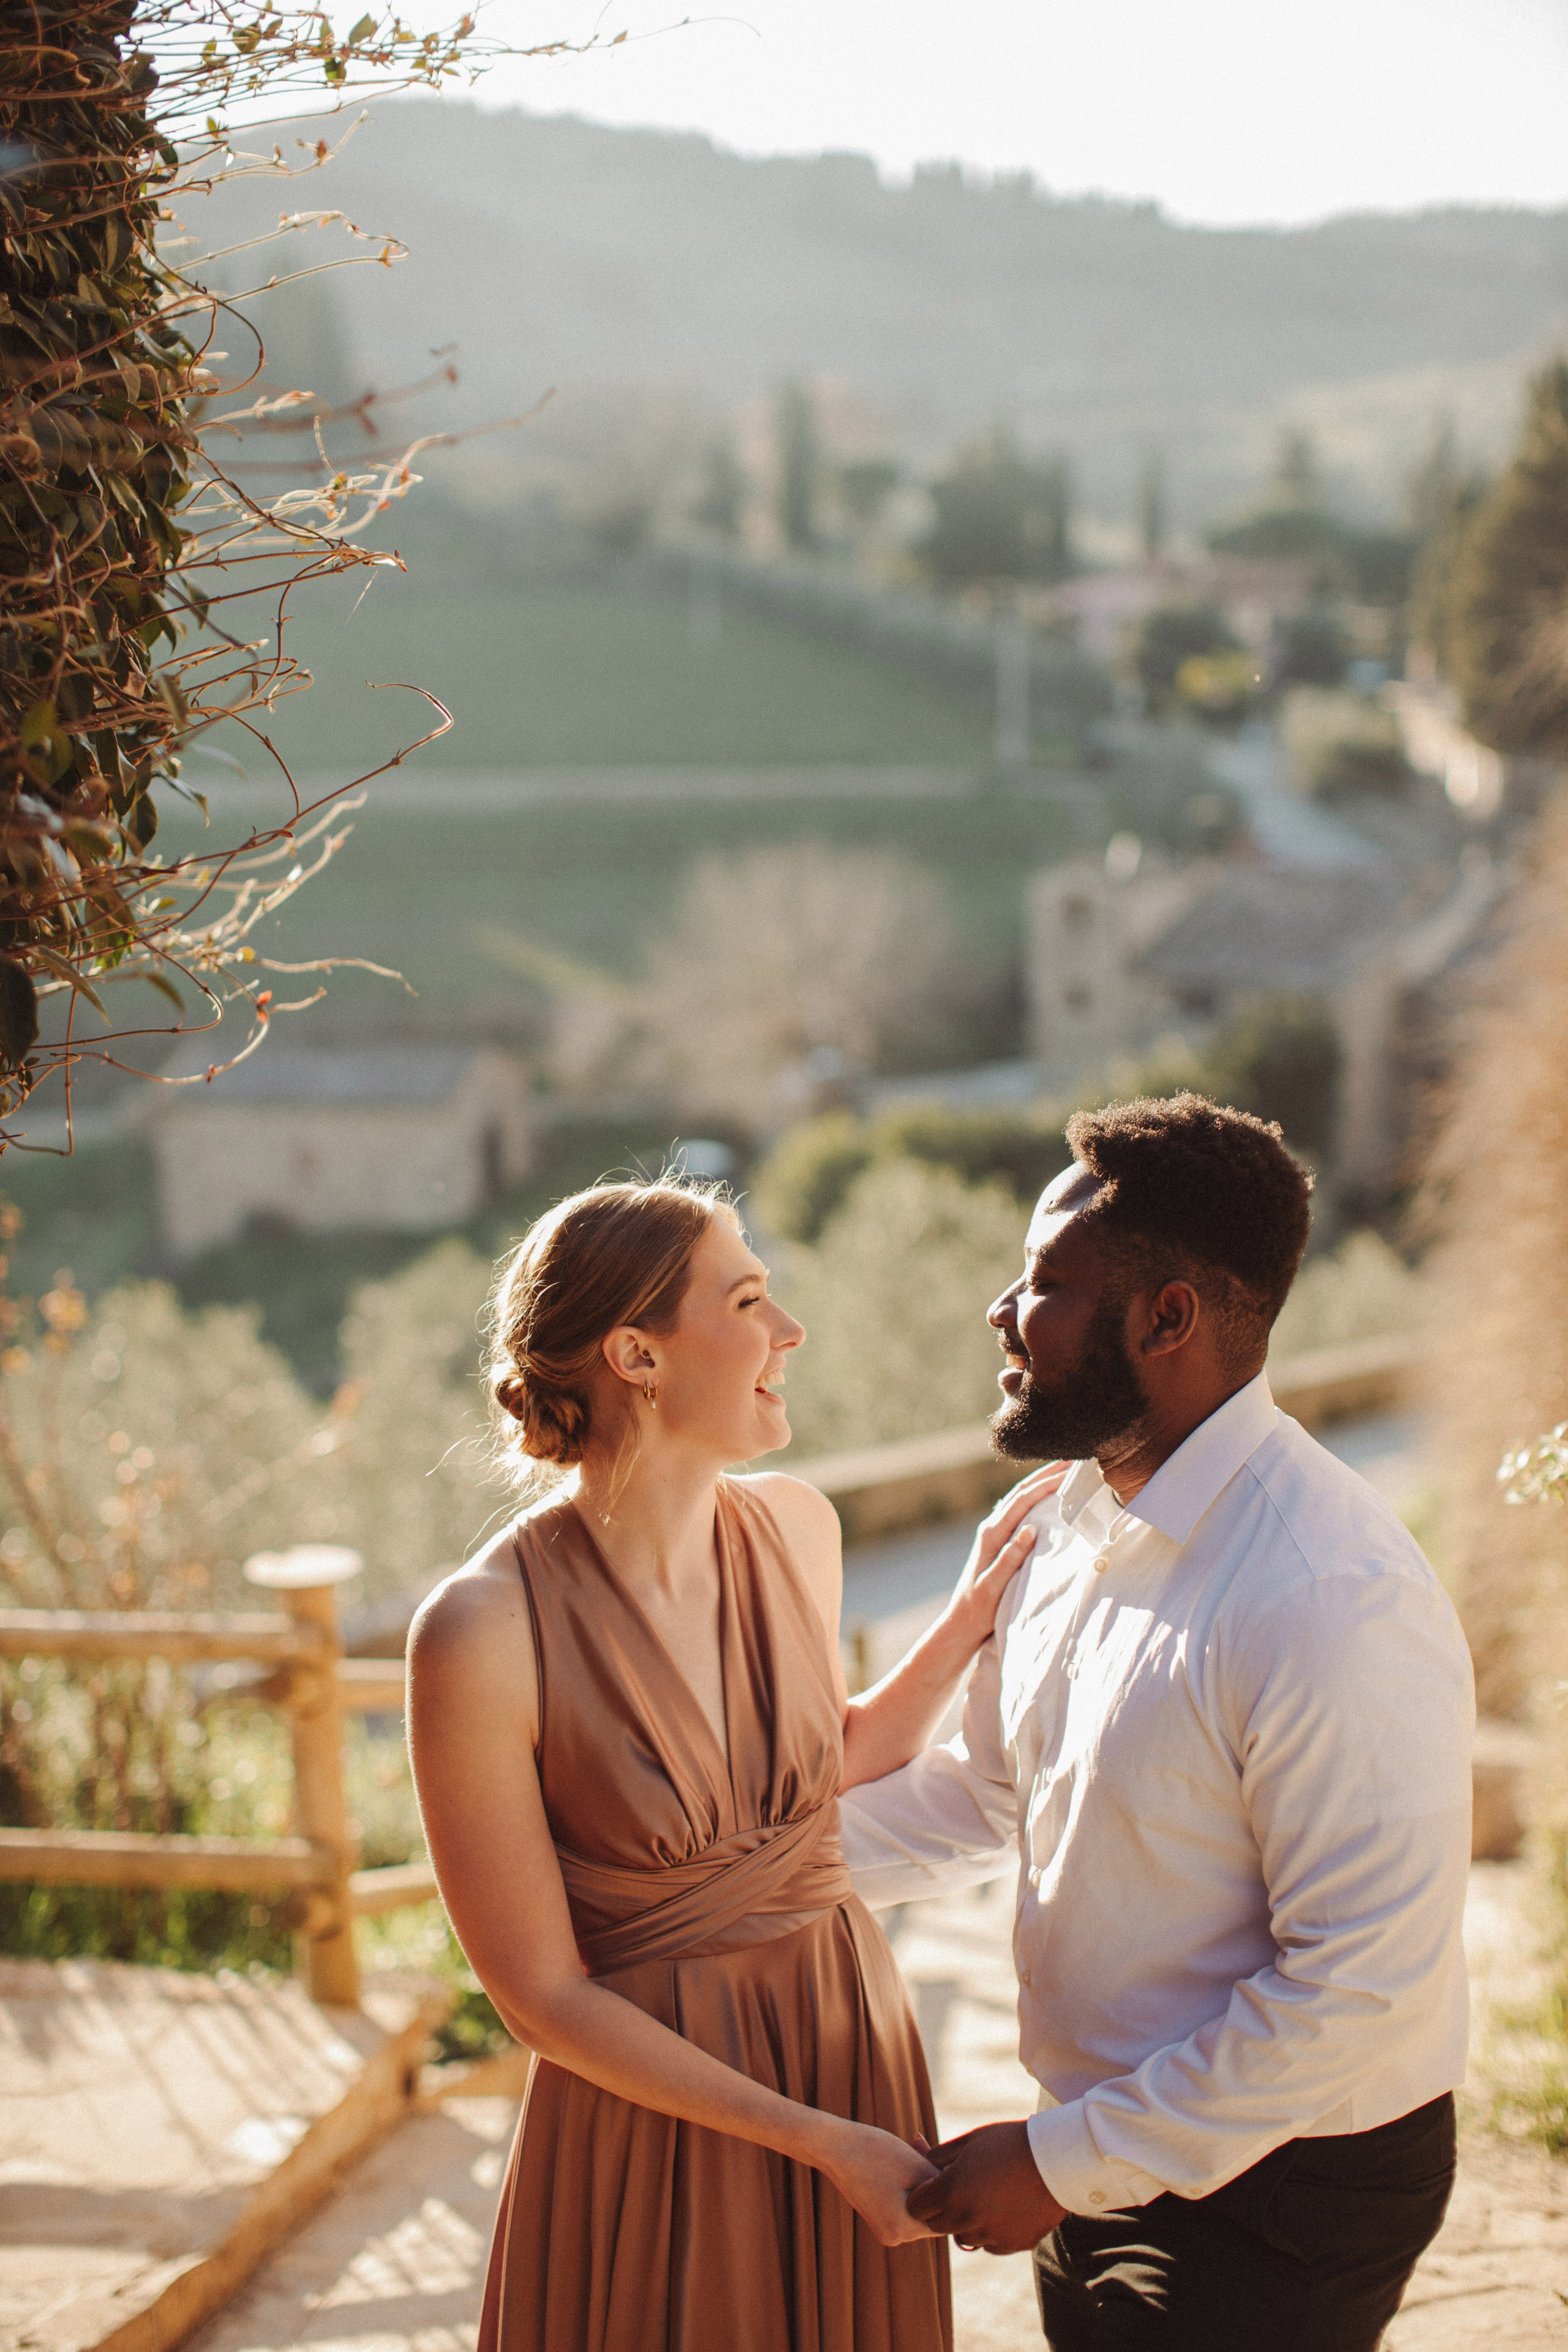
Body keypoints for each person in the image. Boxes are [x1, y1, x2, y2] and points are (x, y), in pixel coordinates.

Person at [839, 1094, 1474, 2352]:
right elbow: (983, 1792)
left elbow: (1354, 1985)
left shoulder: (1323, 1594)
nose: (1000, 1314)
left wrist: (1059, 2160)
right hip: (1100, 2142)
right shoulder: (1057, 1519)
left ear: (1165, 1317)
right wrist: (734, 1881)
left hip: (1287, 2183)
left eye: (1042, 1284)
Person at [407, 1175, 1063, 2352]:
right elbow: (541, 2000)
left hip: (846, 2032)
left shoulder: (797, 1528)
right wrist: (817, 2139)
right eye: (751, 1298)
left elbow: (818, 1772)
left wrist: (965, 1621)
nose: (790, 1332)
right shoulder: (481, 1631)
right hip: (663, 2113)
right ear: (635, 1355)